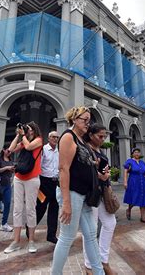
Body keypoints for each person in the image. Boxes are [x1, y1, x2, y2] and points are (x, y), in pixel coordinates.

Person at [51, 107, 103, 275]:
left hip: (83, 195)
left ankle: (99, 272)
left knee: (91, 235)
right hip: (71, 194)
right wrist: (66, 203)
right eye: (84, 119)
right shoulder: (68, 137)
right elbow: (63, 169)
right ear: (74, 119)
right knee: (67, 236)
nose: (88, 123)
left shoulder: (81, 140)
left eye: (89, 120)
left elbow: (83, 164)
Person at [4, 122, 43, 254]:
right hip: (19, 177)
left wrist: (23, 136)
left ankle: (31, 240)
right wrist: (18, 135)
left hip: (32, 178)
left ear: (34, 130)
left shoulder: (39, 140)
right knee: (17, 209)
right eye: (27, 130)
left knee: (30, 210)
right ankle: (16, 241)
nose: (28, 131)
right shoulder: (24, 139)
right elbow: (10, 149)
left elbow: (29, 146)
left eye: (29, 129)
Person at [82, 123, 116, 275]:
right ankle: (88, 265)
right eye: (100, 136)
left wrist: (106, 175)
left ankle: (103, 260)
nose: (103, 139)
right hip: (91, 192)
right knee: (91, 228)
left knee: (110, 223)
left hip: (103, 191)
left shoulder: (100, 151)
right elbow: (82, 171)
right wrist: (98, 175)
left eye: (104, 136)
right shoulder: (86, 149)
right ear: (90, 135)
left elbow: (103, 171)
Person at [34, 131, 60, 244]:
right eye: (53, 137)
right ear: (48, 138)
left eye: (57, 137)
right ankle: (29, 228)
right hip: (44, 183)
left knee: (54, 210)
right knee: (40, 208)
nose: (55, 139)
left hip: (56, 183)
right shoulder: (43, 150)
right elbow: (38, 166)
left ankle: (51, 235)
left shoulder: (60, 151)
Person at [123, 148, 145, 223]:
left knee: (143, 199)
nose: (137, 154)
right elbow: (125, 172)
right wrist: (125, 182)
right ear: (132, 154)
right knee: (133, 198)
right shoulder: (129, 162)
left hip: (142, 183)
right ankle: (129, 209)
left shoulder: (142, 163)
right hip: (133, 182)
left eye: (138, 152)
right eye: (135, 152)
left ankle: (143, 217)